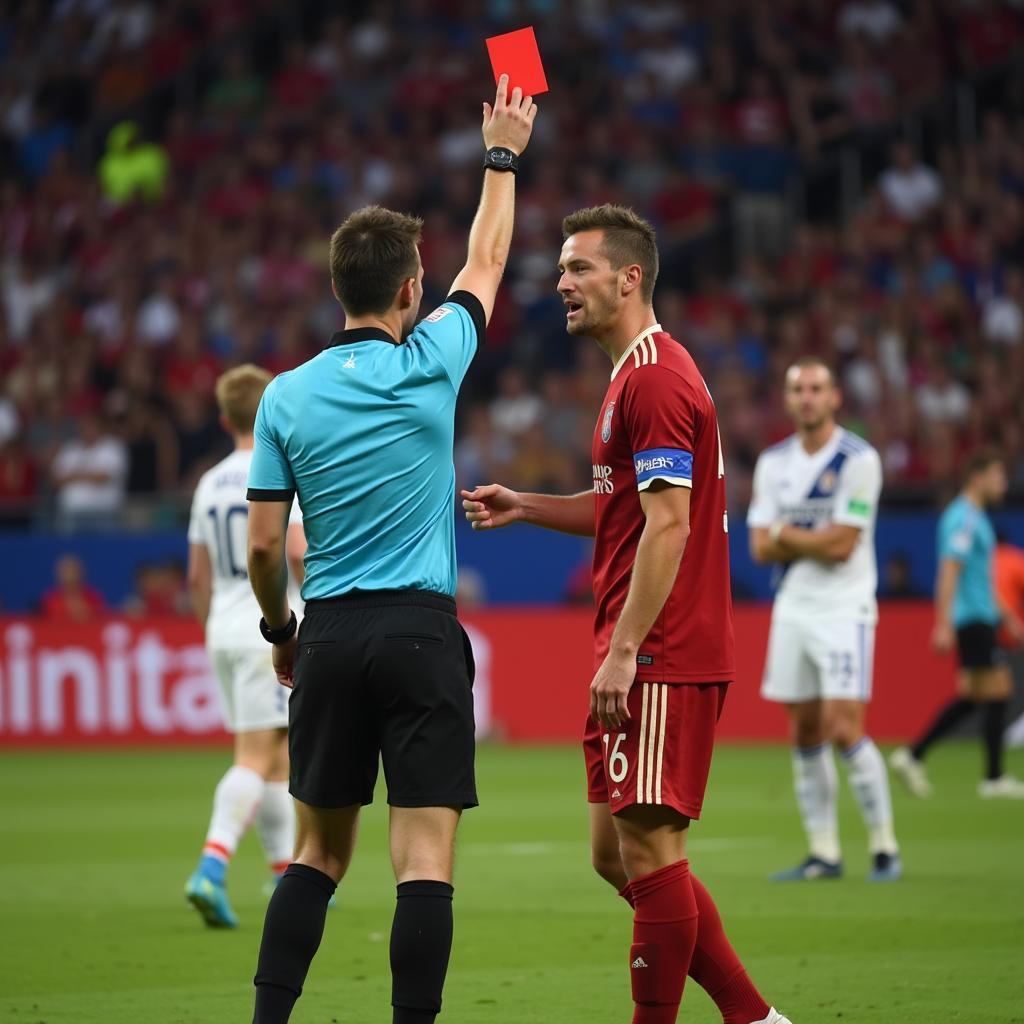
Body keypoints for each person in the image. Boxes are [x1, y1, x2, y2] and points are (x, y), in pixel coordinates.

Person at [244, 77, 536, 1024]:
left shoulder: (283, 395)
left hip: (327, 634)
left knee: (317, 856)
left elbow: (261, 545)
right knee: (424, 863)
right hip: (419, 632)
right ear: (413, 288)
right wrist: (502, 151)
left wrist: (281, 631)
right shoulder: (433, 359)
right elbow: (488, 256)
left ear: (337, 287)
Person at [463, 204, 791, 1024]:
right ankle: (755, 1017)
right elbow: (627, 511)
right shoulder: (631, 375)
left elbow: (672, 523)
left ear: (630, 275)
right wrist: (527, 506)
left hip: (658, 649)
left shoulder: (655, 379)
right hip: (637, 645)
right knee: (618, 857)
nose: (562, 285)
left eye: (577, 270)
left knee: (649, 850)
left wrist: (626, 652)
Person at [747, 357, 901, 883]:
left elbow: (843, 544)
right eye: (797, 389)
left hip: (844, 607)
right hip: (793, 605)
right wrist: (793, 540)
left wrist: (789, 535)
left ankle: (884, 846)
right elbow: (759, 547)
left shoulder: (859, 460)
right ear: (788, 400)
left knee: (843, 726)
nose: (807, 397)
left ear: (835, 397)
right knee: (805, 731)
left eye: (816, 388)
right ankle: (824, 853)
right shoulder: (774, 462)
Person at [183, 365, 306, 928]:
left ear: (223, 417)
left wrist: (214, 625)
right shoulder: (280, 468)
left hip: (224, 631)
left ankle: (286, 875)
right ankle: (211, 865)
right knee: (257, 758)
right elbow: (297, 551)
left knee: (278, 759)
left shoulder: (208, 482)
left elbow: (197, 577)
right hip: (269, 625)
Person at [891, 451, 1024, 798]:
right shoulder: (964, 518)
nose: (1003, 484)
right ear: (976, 478)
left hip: (981, 614)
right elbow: (951, 569)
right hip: (972, 618)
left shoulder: (973, 517)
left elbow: (982, 577)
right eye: (997, 476)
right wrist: (943, 622)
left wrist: (1008, 616)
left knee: (978, 695)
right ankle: (992, 778)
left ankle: (915, 755)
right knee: (996, 692)